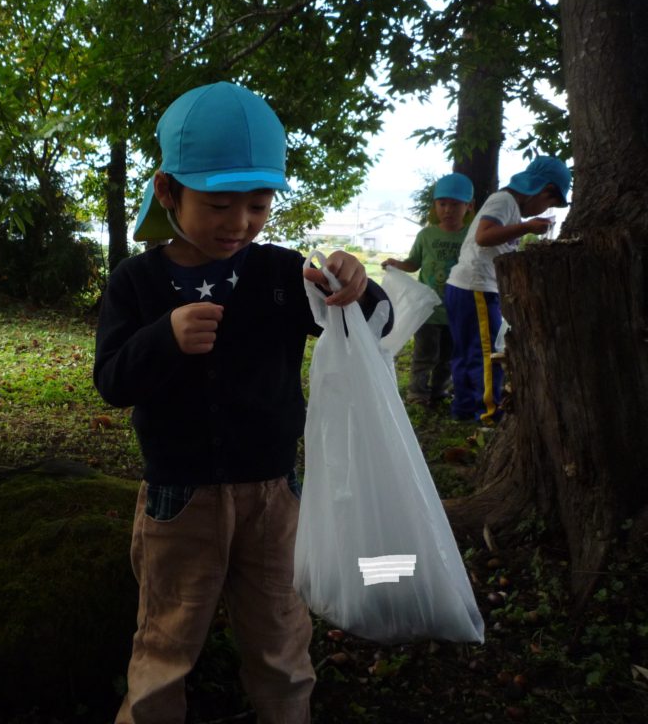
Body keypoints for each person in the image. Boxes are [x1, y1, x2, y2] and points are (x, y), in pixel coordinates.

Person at [94, 81, 392, 724]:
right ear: (168, 192)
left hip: (274, 495)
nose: (239, 223)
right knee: (165, 641)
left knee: (280, 634)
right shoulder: (136, 282)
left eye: (258, 205)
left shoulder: (282, 274)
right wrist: (164, 338)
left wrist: (359, 287)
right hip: (179, 497)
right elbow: (112, 381)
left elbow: (375, 325)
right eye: (219, 204)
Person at [444, 156, 571, 424]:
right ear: (545, 190)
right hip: (477, 286)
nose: (543, 210)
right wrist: (526, 227)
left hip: (464, 286)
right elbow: (484, 236)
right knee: (487, 352)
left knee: (466, 351)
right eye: (549, 203)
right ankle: (488, 412)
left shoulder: (506, 203)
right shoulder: (505, 201)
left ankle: (464, 408)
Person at [382, 172, 473, 405]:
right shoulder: (426, 235)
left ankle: (439, 391)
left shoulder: (471, 236)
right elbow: (414, 263)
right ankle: (417, 393)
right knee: (425, 355)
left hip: (457, 310)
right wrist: (396, 264)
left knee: (448, 356)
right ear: (435, 205)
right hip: (428, 310)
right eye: (442, 204)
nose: (448, 210)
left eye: (455, 204)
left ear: (469, 206)